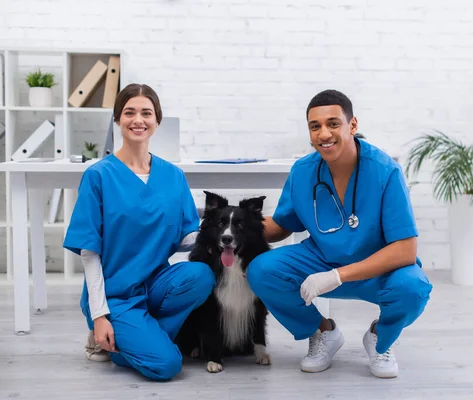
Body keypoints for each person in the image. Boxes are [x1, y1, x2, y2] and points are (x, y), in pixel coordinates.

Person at [247, 89, 433, 379]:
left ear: (353, 126)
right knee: (261, 269)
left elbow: (405, 250)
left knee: (414, 289)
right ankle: (323, 332)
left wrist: (337, 277)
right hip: (320, 261)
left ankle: (379, 337)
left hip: (375, 270)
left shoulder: (385, 171)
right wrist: (233, 228)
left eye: (333, 123)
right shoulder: (303, 171)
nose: (324, 134)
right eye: (315, 126)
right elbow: (283, 224)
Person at [63, 83, 215, 381]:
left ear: (157, 121)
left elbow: (185, 238)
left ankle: (140, 335)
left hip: (155, 282)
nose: (138, 120)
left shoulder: (173, 176)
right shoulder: (99, 176)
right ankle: (112, 337)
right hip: (114, 292)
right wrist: (99, 315)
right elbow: (89, 251)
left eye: (146, 113)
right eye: (129, 112)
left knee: (200, 275)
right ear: (118, 120)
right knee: (167, 365)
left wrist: (219, 230)